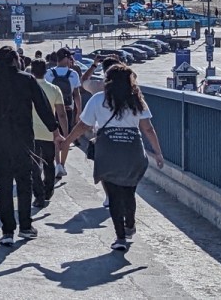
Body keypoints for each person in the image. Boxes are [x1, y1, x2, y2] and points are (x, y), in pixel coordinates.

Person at [60, 64, 165, 253]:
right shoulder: (136, 100)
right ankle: (130, 223)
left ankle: (120, 238)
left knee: (114, 196)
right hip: (132, 149)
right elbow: (148, 128)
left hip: (107, 151)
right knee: (129, 191)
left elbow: (83, 125)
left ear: (107, 81)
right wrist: (158, 152)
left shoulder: (98, 99)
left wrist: (67, 141)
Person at [0, 46, 60, 246]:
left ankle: (7, 231)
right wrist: (54, 129)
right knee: (24, 181)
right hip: (23, 139)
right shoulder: (26, 80)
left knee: (3, 183)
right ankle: (26, 227)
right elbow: (42, 106)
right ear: (15, 60)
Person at [30, 59, 68, 209]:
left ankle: (38, 196)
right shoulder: (54, 89)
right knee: (49, 163)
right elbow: (62, 114)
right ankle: (48, 191)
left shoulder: (26, 88)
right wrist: (65, 134)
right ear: (46, 71)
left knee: (34, 166)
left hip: (30, 133)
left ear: (31, 70)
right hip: (50, 133)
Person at [45, 49, 82, 179]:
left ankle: (57, 164)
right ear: (66, 58)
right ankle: (62, 164)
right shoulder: (73, 74)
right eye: (70, 58)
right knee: (66, 137)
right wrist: (79, 112)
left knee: (55, 137)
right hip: (68, 110)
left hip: (53, 110)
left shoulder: (49, 73)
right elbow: (76, 95)